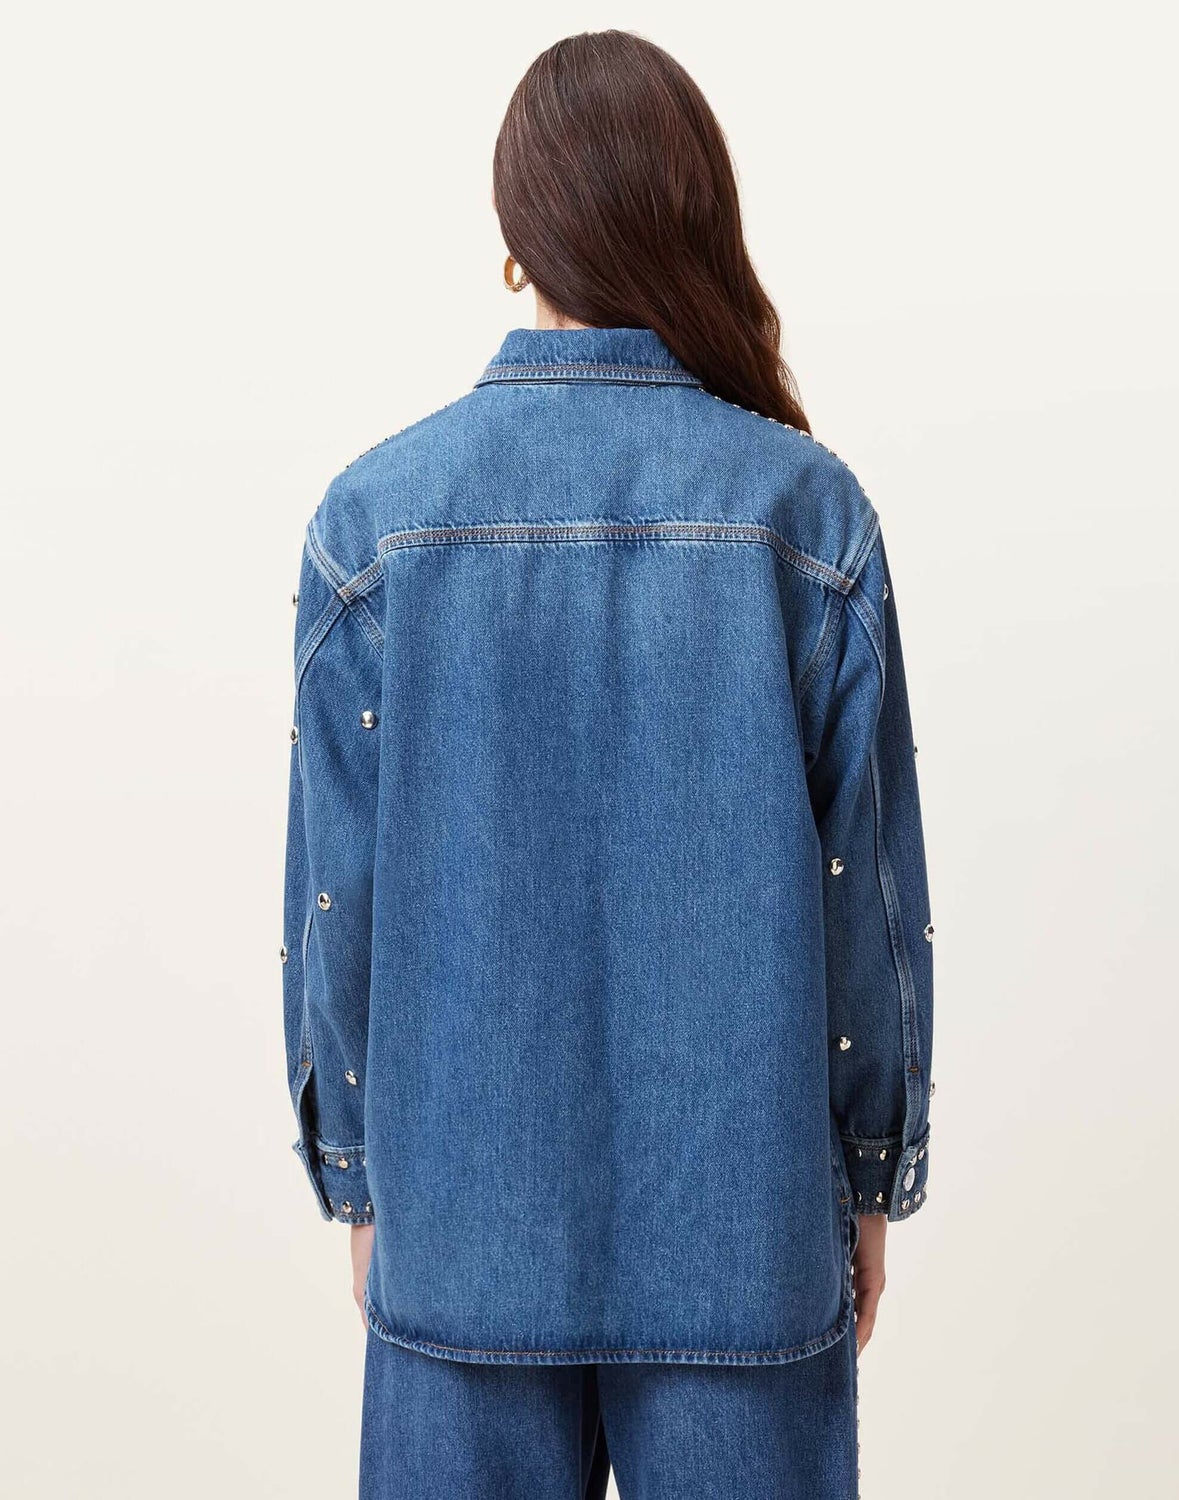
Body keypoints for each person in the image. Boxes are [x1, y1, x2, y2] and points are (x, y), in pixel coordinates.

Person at [281, 29, 935, 1499]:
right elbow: (868, 900)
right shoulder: (806, 514)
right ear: (698, 221)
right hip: (746, 1248)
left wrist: (363, 1179)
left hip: (459, 1241)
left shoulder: (375, 523)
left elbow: (338, 894)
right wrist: (865, 1176)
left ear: (516, 242)